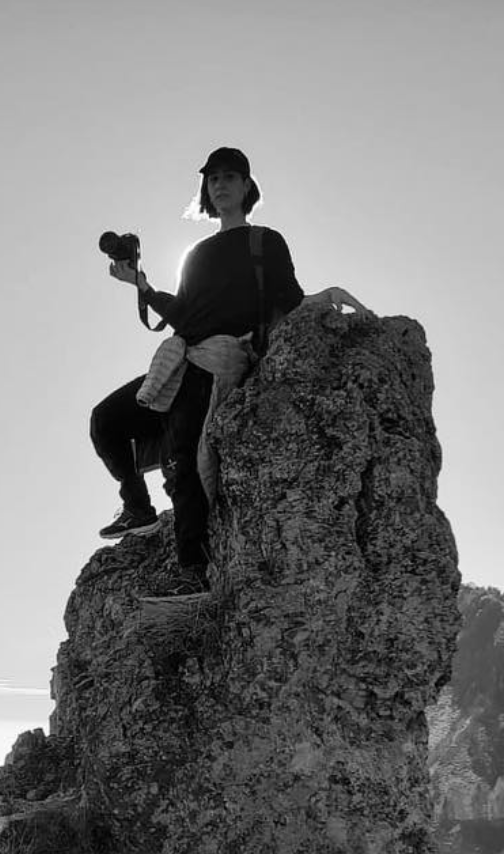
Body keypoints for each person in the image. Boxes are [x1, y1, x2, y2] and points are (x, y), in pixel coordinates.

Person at [90, 146, 367, 596]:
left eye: (229, 177)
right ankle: (136, 508)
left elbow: (288, 299)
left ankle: (192, 575)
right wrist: (141, 287)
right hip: (183, 356)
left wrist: (323, 297)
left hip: (218, 361)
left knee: (182, 465)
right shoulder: (196, 253)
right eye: (212, 178)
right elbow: (184, 313)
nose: (219, 185)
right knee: (106, 420)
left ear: (246, 186)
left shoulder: (265, 242)